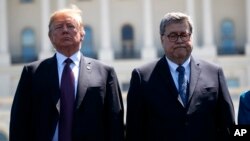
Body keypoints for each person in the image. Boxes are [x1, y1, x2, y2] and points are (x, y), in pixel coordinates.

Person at [9, 5, 124, 141]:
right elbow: (19, 122)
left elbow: (115, 122)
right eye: (58, 27)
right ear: (50, 36)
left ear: (82, 33)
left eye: (70, 26)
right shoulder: (33, 73)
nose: (65, 30)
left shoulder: (105, 72)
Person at [125, 12, 235, 141]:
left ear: (191, 37)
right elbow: (134, 130)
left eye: (184, 35)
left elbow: (228, 124)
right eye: (173, 36)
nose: (179, 40)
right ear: (162, 39)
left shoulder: (214, 72)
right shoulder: (142, 77)